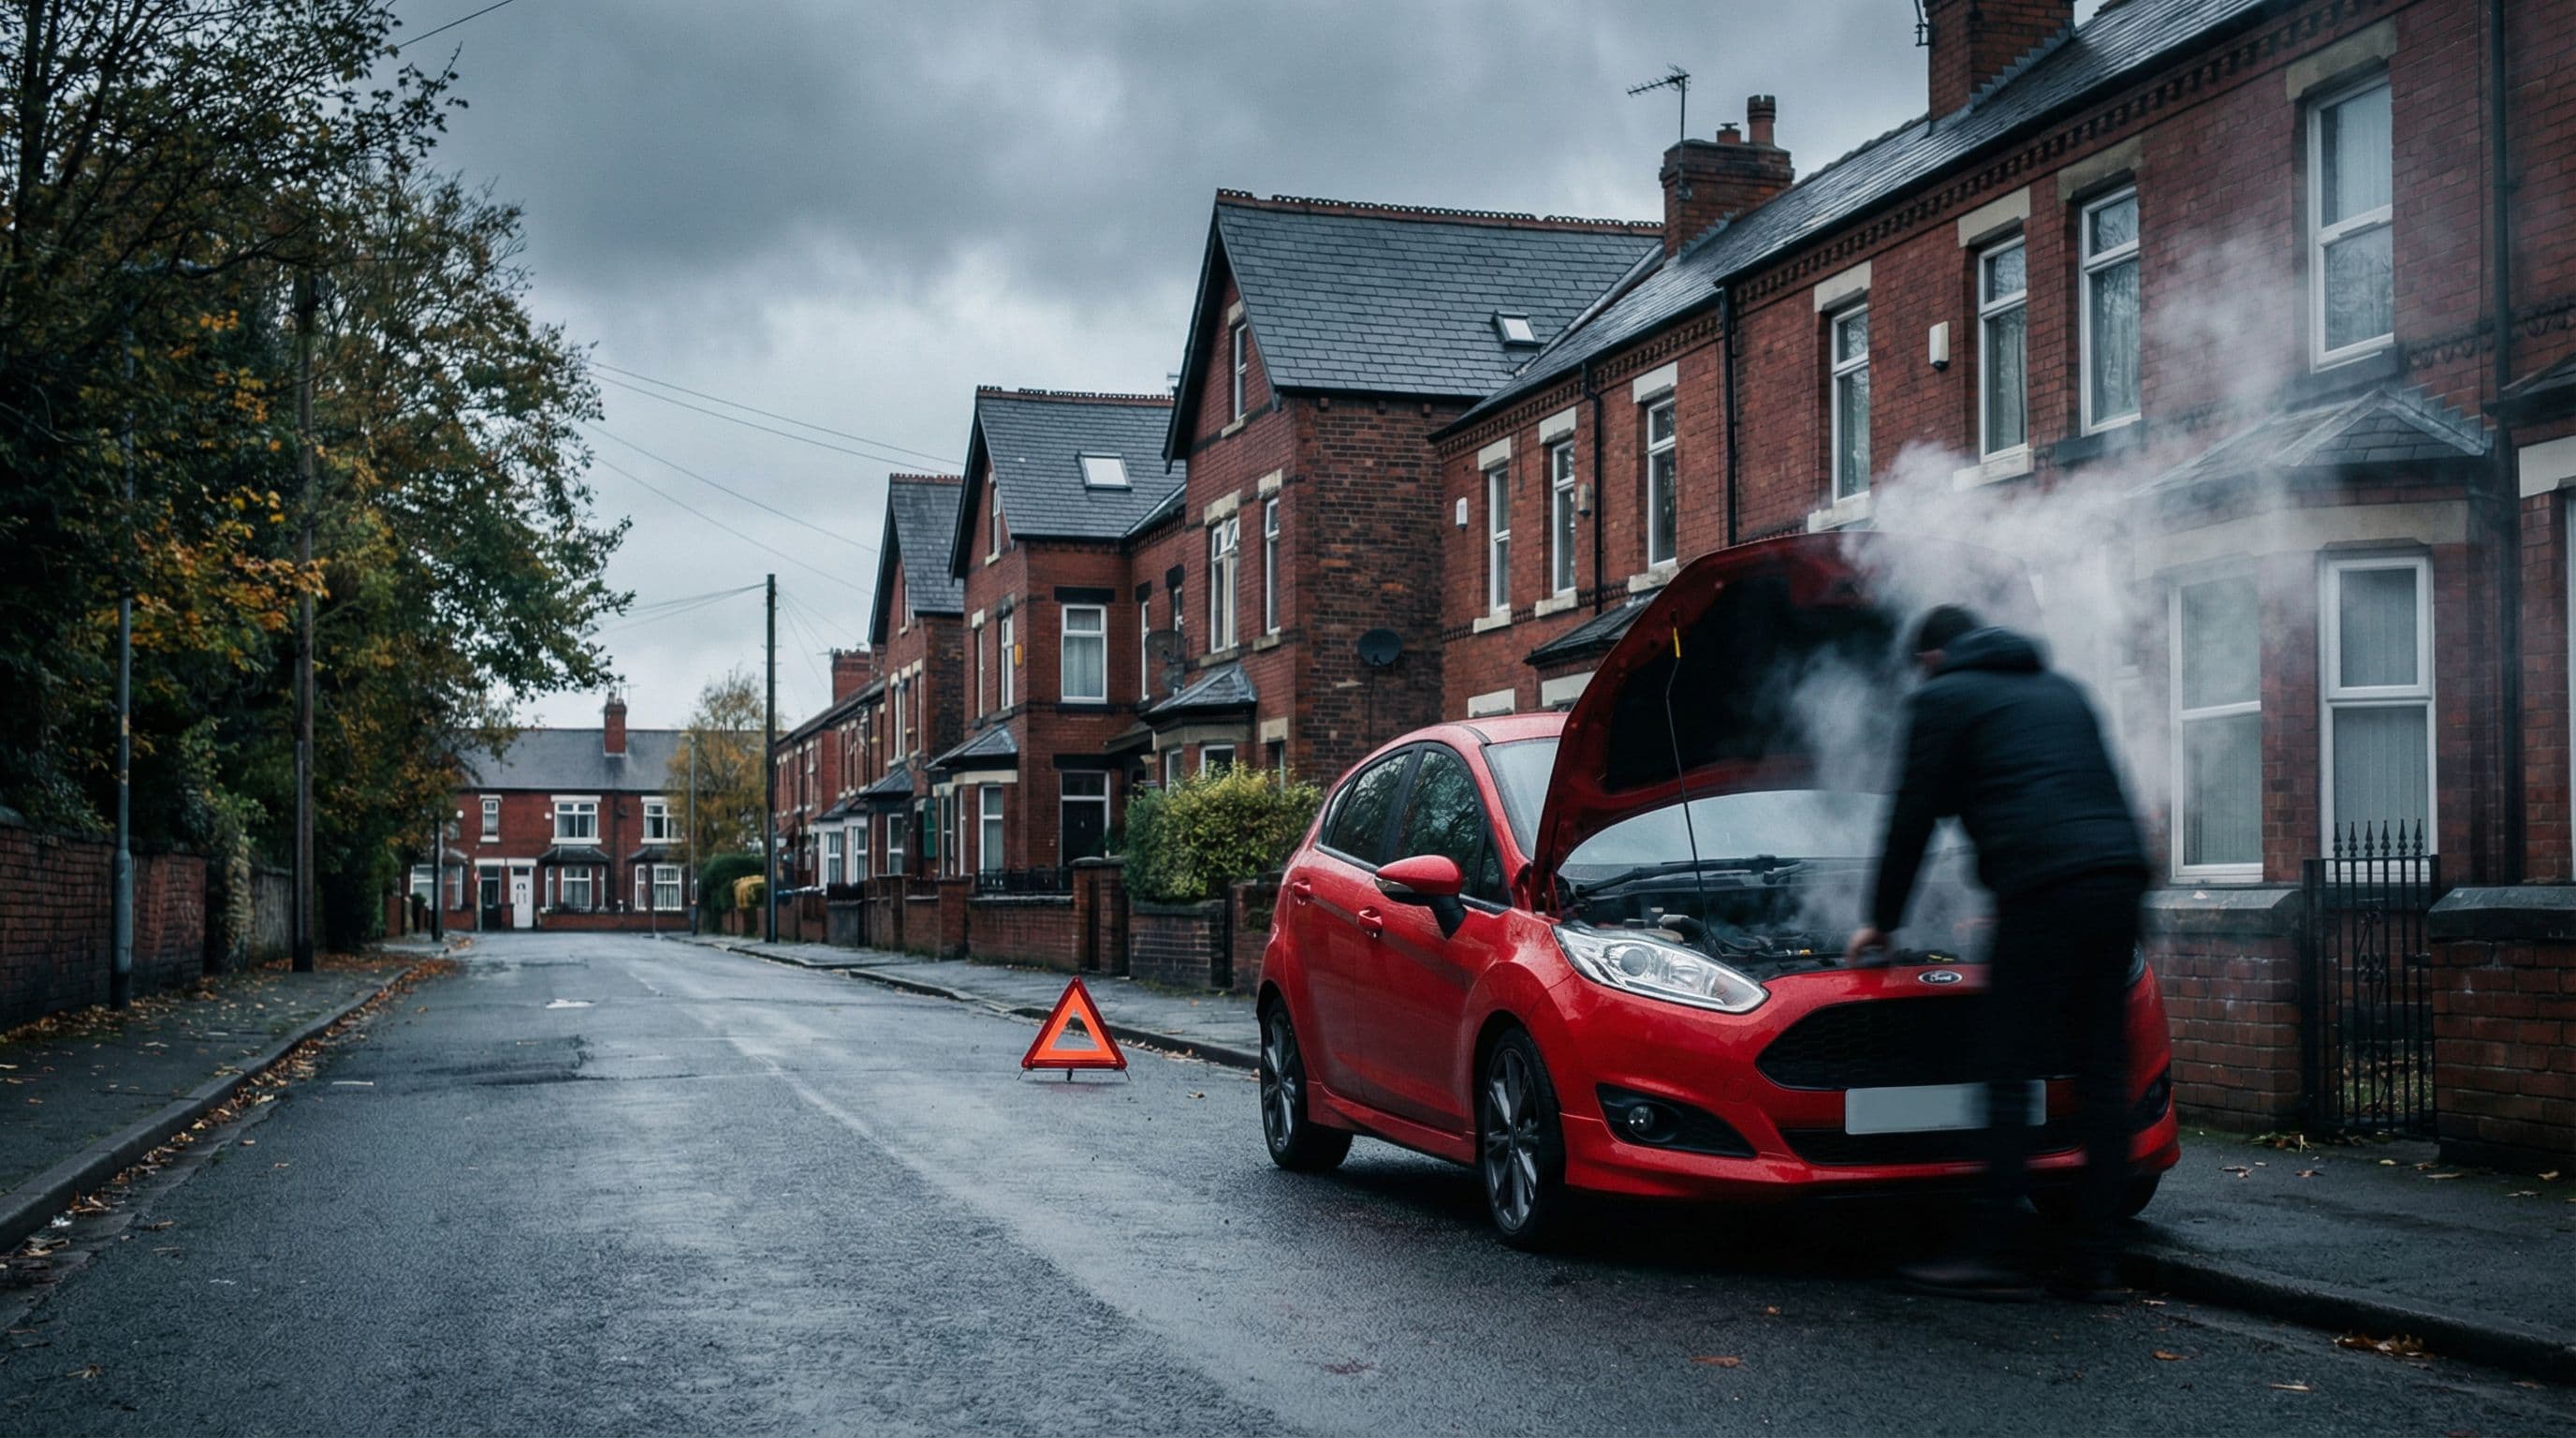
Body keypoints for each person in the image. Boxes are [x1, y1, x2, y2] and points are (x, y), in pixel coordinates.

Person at [1846, 604, 2149, 1302]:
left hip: (2043, 888)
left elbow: (1911, 818)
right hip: (2119, 879)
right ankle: (2094, 1263)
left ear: (1931, 655)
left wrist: (1881, 923)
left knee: (2006, 1066)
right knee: (2102, 1073)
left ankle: (1990, 1254)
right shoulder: (2061, 689)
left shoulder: (1944, 696)